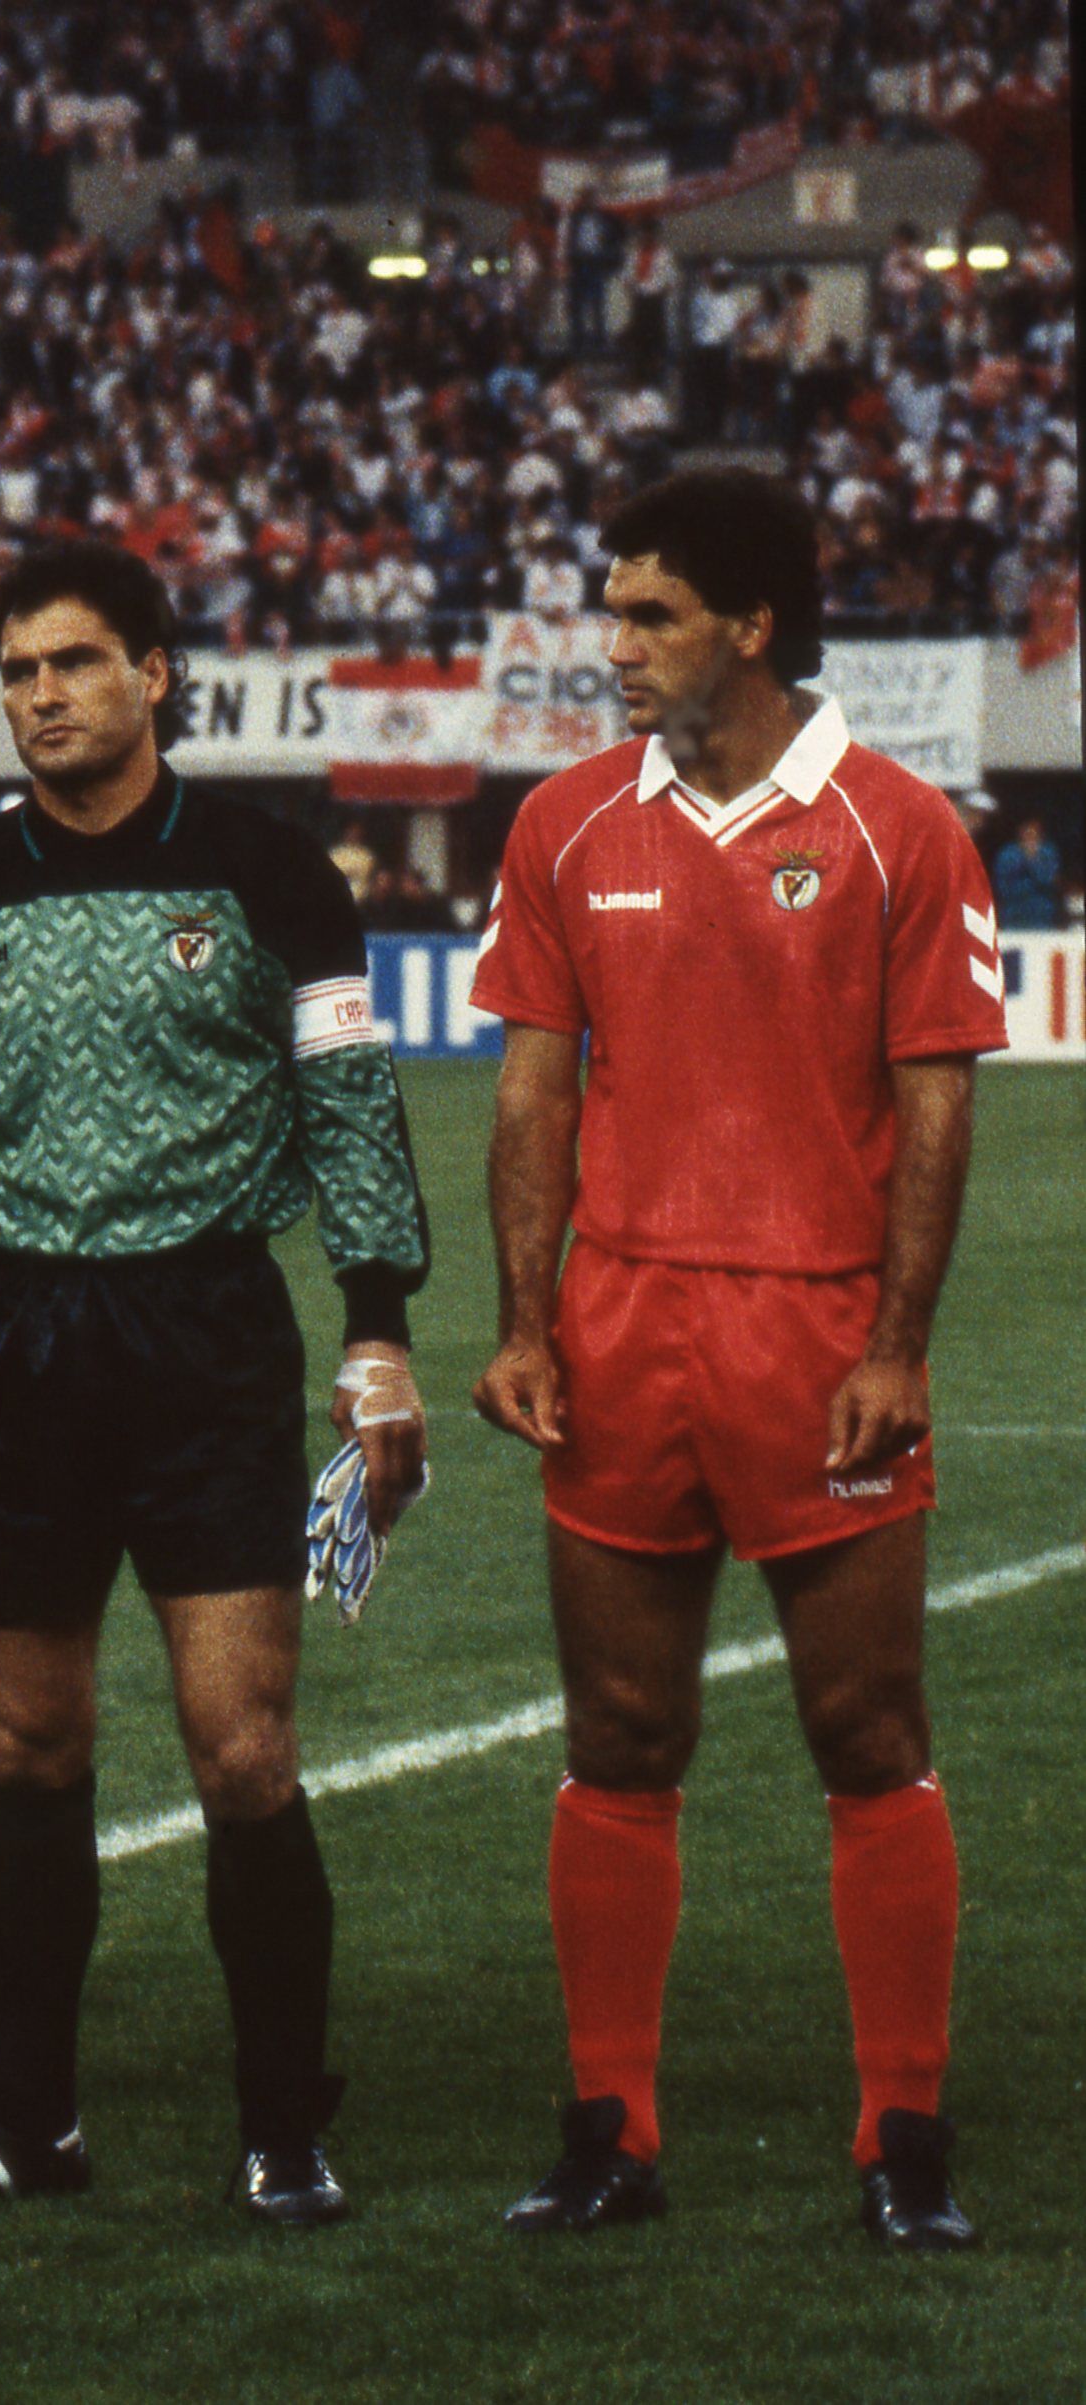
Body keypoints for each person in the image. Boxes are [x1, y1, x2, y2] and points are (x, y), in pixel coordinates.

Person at [0, 540, 430, 2223]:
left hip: (203, 1343)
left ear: (155, 675)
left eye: (75, 664)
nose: (41, 698)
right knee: (27, 1747)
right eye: (17, 671)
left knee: (238, 1750)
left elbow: (346, 1109)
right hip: (13, 1351)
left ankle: (281, 2127)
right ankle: (24, 2125)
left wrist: (372, 1323)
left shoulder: (265, 874)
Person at [469, 469, 1008, 2249]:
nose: (608, 647)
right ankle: (605, 2135)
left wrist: (897, 1344)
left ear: (752, 627)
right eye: (608, 612)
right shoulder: (558, 827)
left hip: (815, 1341)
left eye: (648, 618)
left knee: (866, 1730)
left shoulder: (897, 829)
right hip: (622, 1337)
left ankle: (901, 2140)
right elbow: (533, 1092)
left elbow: (934, 1106)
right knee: (619, 1733)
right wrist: (525, 1321)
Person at [990, 811, 1061, 932]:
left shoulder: (1048, 852)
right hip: (1013, 913)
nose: (1031, 834)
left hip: (1041, 914)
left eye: (1035, 831)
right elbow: (1002, 885)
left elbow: (1051, 881)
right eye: (1027, 830)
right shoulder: (1007, 853)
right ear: (1020, 831)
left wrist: (1034, 860)